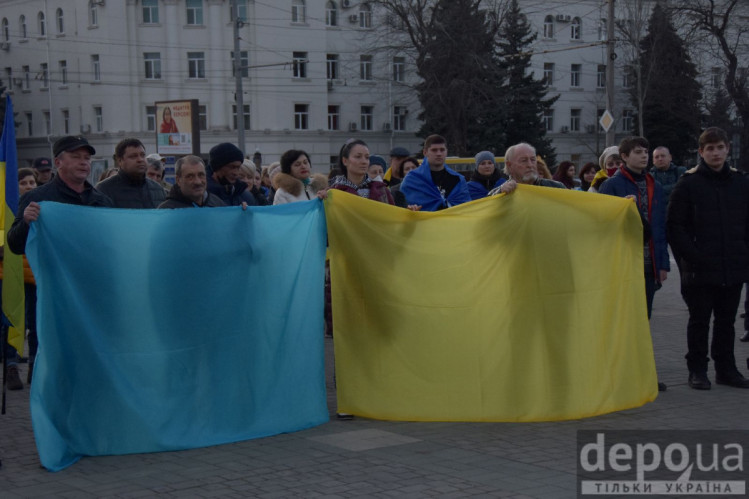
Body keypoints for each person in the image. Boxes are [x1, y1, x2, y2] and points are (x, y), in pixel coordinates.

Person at [667, 127, 749, 390]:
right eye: (710, 148)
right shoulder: (688, 183)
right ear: (701, 152)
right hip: (699, 269)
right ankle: (697, 370)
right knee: (699, 321)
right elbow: (674, 226)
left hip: (733, 266)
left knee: (726, 322)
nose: (716, 153)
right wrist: (692, 257)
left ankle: (727, 370)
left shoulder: (740, 182)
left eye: (720, 147)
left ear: (727, 149)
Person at [599, 136, 669, 392]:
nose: (644, 156)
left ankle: (643, 373)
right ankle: (617, 373)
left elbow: (660, 227)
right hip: (622, 265)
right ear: (625, 157)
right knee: (621, 321)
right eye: (638, 152)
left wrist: (662, 264)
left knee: (643, 320)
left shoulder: (654, 185)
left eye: (646, 152)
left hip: (649, 264)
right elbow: (603, 226)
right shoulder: (611, 185)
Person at [8, 136, 114, 256]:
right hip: (54, 273)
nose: (83, 162)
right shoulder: (37, 198)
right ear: (58, 162)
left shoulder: (102, 201)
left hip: (93, 272)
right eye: (76, 157)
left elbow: (111, 244)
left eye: (87, 158)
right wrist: (25, 223)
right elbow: (15, 246)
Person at [399, 134, 470, 211]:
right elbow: (402, 207)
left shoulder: (458, 180)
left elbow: (466, 209)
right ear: (425, 152)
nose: (439, 154)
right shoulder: (412, 179)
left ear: (446, 152)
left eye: (442, 150)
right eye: (434, 150)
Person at [96, 138, 167, 209]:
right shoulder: (104, 190)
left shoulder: (158, 190)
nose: (140, 159)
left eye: (142, 155)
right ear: (120, 161)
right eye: (133, 156)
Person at [329, 139, 395, 205]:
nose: (364, 162)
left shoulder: (382, 191)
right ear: (345, 161)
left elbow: (392, 213)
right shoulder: (334, 191)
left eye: (367, 157)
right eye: (358, 157)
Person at [489, 143, 566, 195]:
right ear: (509, 165)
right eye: (524, 161)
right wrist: (500, 194)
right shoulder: (501, 193)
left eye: (533, 160)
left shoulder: (556, 188)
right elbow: (486, 212)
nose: (530, 165)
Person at [158, 155, 226, 209]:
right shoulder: (166, 211)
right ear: (178, 180)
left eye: (201, 175)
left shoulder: (218, 205)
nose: (198, 182)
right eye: (190, 176)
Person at [206, 143, 257, 207]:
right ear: (217, 167)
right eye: (232, 167)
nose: (236, 173)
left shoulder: (246, 196)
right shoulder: (202, 197)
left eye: (238, 167)